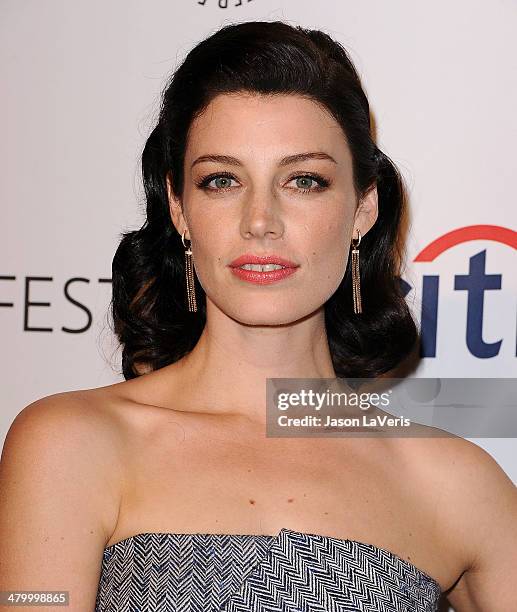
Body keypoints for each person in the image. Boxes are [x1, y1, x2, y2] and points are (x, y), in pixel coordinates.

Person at [1, 19, 516, 612]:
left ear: (362, 209)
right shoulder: (70, 444)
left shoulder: (454, 484)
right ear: (179, 208)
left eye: (304, 180)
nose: (260, 221)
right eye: (221, 180)